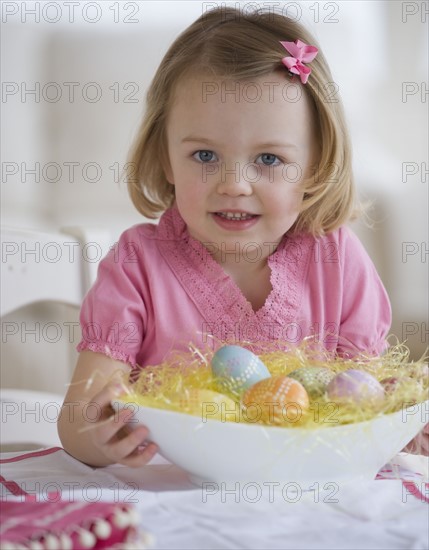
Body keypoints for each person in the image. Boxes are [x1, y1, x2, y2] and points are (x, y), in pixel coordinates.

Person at [58, 7, 426, 466]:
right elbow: (80, 415)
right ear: (166, 157)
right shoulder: (138, 264)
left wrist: (398, 423)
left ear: (314, 166)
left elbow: (362, 397)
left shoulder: (338, 260)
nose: (233, 182)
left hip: (307, 497)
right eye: (205, 154)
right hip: (174, 500)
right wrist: (94, 438)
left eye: (269, 159)